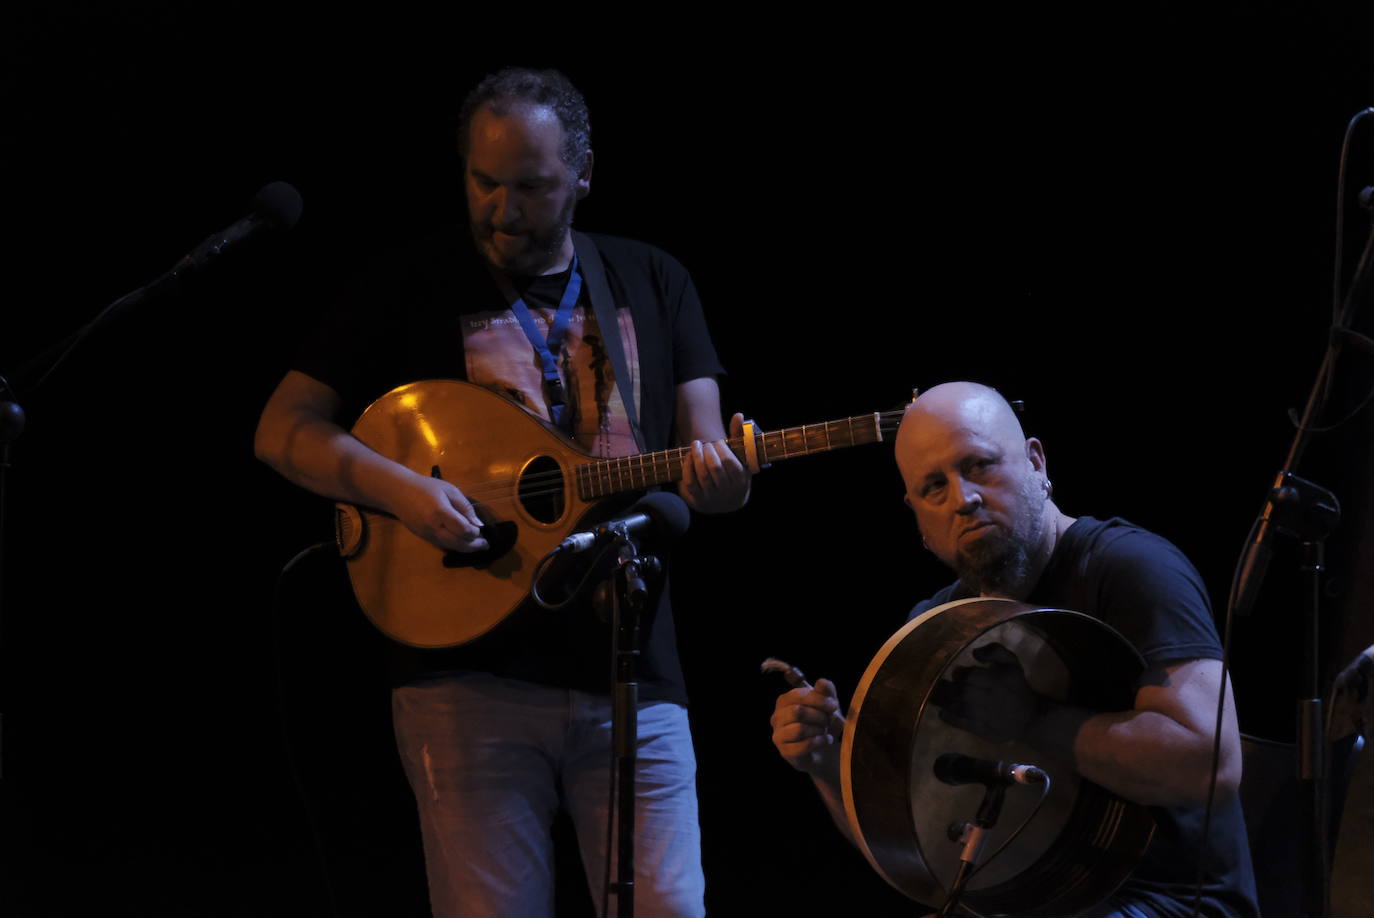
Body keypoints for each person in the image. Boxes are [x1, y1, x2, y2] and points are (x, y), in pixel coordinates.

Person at [255, 67, 750, 918]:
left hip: (633, 668)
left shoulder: (653, 278)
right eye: (484, 182)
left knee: (668, 907)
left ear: (584, 174)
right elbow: (283, 428)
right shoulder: (407, 280)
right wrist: (404, 493)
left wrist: (724, 482)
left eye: (531, 187)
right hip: (462, 674)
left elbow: (707, 478)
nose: (502, 209)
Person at [769, 381, 1258, 917]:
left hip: (1171, 902)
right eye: (934, 487)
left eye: (978, 465)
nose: (964, 499)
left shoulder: (1130, 569)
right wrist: (825, 766)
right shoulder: (936, 627)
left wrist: (1033, 719)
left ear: (1036, 461)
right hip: (1030, 903)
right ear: (916, 516)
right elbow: (916, 854)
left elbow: (1211, 766)